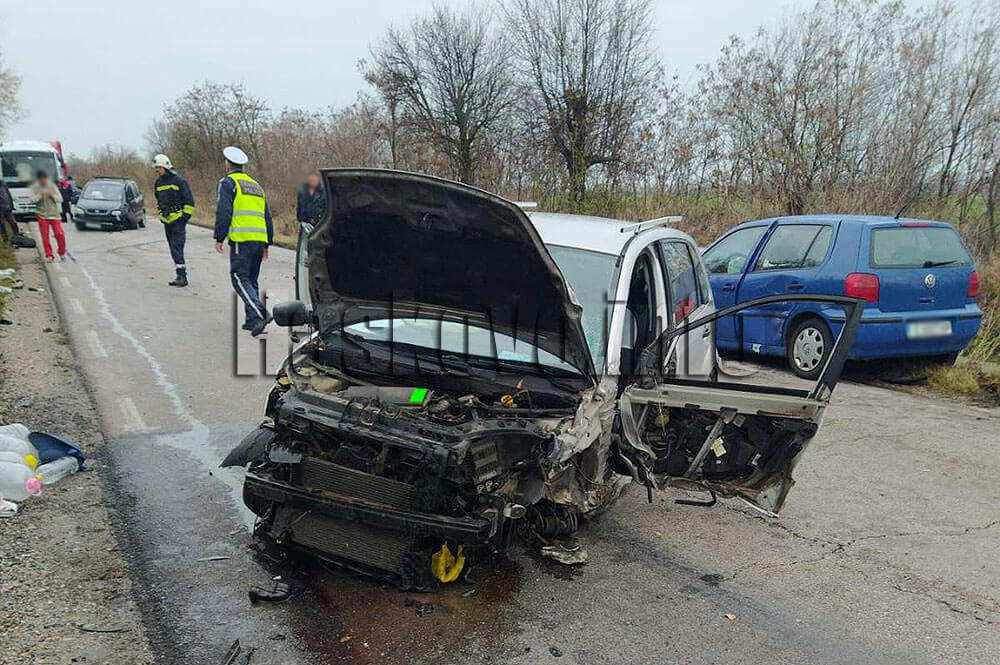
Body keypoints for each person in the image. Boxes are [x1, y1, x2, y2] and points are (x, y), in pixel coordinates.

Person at [214, 146, 274, 337]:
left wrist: (219, 236)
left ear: (227, 165)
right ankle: (251, 320)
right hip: (259, 239)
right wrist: (267, 243)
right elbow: (267, 216)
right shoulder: (256, 186)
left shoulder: (228, 183)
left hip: (242, 239)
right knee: (251, 279)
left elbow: (224, 211)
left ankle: (261, 313)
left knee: (239, 278)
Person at [152, 154, 195, 287]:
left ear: (165, 166)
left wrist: (183, 219)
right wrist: (161, 214)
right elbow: (159, 200)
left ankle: (183, 276)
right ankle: (179, 274)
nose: (157, 170)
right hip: (167, 221)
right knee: (173, 248)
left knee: (177, 247)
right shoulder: (158, 183)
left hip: (178, 221)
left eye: (159, 168)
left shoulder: (179, 181)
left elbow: (189, 202)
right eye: (156, 168)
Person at [30, 171, 65, 261]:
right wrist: (40, 195)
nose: (43, 181)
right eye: (41, 179)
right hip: (42, 215)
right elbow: (32, 200)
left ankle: (61, 252)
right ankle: (49, 255)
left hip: (54, 215)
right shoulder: (34, 187)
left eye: (44, 179)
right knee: (45, 236)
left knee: (59, 234)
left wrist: (52, 195)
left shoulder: (52, 186)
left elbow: (60, 199)